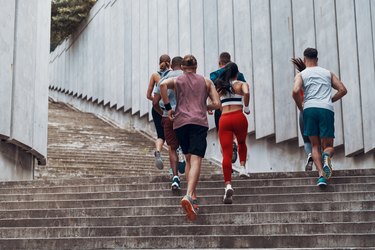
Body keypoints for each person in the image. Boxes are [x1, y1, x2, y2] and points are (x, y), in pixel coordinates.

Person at [160, 54, 221, 221]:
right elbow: (217, 104)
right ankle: (188, 195)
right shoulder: (206, 81)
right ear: (195, 67)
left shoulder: (178, 80)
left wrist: (168, 107)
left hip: (180, 123)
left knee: (187, 159)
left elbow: (162, 84)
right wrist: (204, 105)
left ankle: (192, 195)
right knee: (196, 160)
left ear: (183, 67)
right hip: (198, 122)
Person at [292, 48, 347, 187]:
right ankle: (327, 156)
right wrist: (330, 100)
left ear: (305, 60)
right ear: (317, 59)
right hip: (325, 109)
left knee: (315, 146)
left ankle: (321, 176)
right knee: (328, 146)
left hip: (309, 109)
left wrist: (301, 107)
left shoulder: (302, 75)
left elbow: (295, 91)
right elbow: (343, 90)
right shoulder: (328, 73)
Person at [214, 62, 251, 204]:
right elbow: (246, 93)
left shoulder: (220, 87)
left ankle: (228, 184)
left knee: (226, 152)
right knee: (241, 142)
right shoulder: (241, 84)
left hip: (224, 119)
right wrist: (246, 107)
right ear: (237, 72)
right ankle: (242, 168)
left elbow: (215, 101)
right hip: (238, 116)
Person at [153, 56, 185, 190]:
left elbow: (155, 102)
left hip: (168, 116)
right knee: (186, 146)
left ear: (171, 65)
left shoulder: (163, 79)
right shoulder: (187, 77)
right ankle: (183, 155)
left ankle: (175, 177)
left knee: (171, 147)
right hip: (185, 116)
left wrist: (164, 113)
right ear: (183, 65)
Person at [210, 52, 247, 164]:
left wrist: (210, 104)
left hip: (221, 109)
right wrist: (246, 106)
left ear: (219, 62)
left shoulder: (214, 75)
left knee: (223, 138)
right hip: (236, 110)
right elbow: (244, 90)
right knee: (238, 137)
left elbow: (210, 90)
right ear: (230, 61)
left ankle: (227, 163)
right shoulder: (239, 75)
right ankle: (234, 142)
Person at [146, 54, 171, 170]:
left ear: (159, 62)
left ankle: (157, 151)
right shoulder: (172, 75)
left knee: (161, 135)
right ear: (169, 62)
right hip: (170, 109)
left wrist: (157, 100)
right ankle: (178, 159)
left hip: (156, 109)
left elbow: (148, 95)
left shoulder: (155, 75)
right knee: (172, 135)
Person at [291, 58, 314, 171]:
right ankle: (324, 159)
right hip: (317, 107)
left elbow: (296, 92)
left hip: (304, 109)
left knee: (306, 140)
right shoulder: (316, 76)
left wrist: (301, 107)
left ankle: (310, 155)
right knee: (320, 138)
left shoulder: (300, 77)